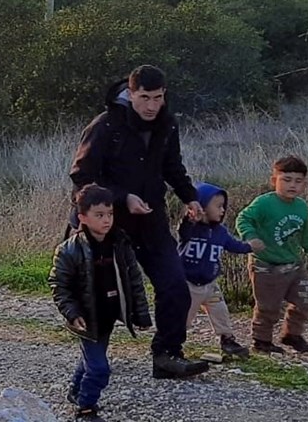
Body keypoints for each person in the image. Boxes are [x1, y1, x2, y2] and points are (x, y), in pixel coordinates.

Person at [69, 65, 209, 379]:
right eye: (144, 97)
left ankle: (167, 355)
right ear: (131, 94)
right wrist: (122, 198)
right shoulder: (105, 126)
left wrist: (190, 197)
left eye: (157, 98)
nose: (151, 106)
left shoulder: (167, 125)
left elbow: (173, 167)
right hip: (107, 221)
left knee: (174, 284)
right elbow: (81, 177)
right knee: (101, 296)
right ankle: (92, 369)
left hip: (151, 218)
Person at [49, 185, 152, 422]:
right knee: (99, 368)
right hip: (87, 318)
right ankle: (86, 407)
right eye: (99, 215)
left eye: (110, 214)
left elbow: (134, 280)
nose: (107, 220)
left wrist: (141, 314)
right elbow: (59, 285)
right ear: (82, 217)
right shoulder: (69, 250)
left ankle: (76, 391)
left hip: (108, 315)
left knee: (91, 360)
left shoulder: (120, 243)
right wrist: (72, 313)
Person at [236, 156, 308, 355]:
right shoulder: (264, 203)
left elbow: (305, 233)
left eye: (298, 181)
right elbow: (243, 218)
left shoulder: (301, 206)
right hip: (267, 266)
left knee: (306, 298)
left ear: (304, 184)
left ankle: (291, 334)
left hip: (294, 265)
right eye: (286, 179)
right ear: (274, 180)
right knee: (268, 307)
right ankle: (261, 340)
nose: (292, 185)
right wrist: (251, 237)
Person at [178, 182, 261, 360]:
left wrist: (249, 247)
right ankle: (171, 343)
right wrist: (190, 218)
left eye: (223, 206)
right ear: (202, 206)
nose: (222, 210)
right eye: (218, 206)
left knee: (220, 310)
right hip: (189, 284)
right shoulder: (190, 230)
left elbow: (234, 245)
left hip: (210, 283)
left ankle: (227, 340)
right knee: (184, 317)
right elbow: (182, 231)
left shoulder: (220, 232)